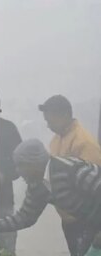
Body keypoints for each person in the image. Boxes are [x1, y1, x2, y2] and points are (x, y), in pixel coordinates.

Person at [0, 139, 101, 256]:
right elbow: (25, 217)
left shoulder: (69, 169)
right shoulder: (37, 186)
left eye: (20, 165)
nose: (18, 171)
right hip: (90, 224)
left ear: (33, 163)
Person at [40, 95, 101, 254]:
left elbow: (97, 188)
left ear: (64, 115)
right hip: (69, 220)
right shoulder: (56, 140)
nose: (48, 126)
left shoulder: (83, 142)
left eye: (50, 121)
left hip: (86, 221)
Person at [0, 86, 22, 256]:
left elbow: (21, 165)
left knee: (5, 249)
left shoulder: (8, 129)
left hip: (3, 201)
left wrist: (4, 175)